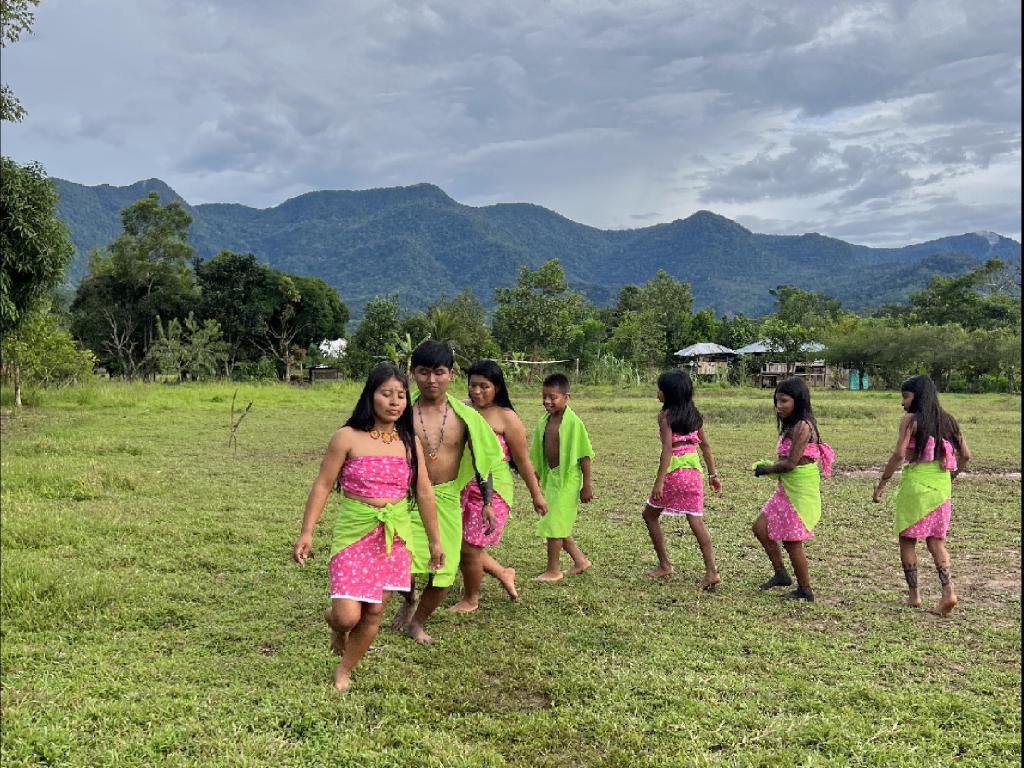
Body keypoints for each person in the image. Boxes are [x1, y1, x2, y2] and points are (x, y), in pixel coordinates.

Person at [292, 363, 444, 692]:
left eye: (401, 395)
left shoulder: (408, 442)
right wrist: (307, 531)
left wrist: (434, 542)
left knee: (373, 612)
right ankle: (335, 623)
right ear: (370, 396)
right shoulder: (346, 437)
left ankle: (344, 669)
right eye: (386, 393)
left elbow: (424, 492)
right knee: (347, 616)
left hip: (394, 537)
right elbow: (322, 484)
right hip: (354, 532)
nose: (395, 401)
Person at [391, 341, 505, 644]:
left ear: (450, 374)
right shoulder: (400, 411)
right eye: (424, 372)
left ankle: (418, 622)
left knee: (444, 572)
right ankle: (408, 597)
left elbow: (483, 461)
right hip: (407, 499)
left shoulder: (466, 417)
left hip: (447, 500)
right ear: (412, 373)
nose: (431, 380)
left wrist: (488, 502)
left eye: (438, 372)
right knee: (403, 567)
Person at [449, 360, 548, 612]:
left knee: (470, 547)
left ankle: (470, 599)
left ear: (498, 387)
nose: (477, 391)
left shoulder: (507, 417)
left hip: (494, 491)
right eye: (473, 385)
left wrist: (536, 495)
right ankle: (503, 574)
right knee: (461, 543)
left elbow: (523, 460)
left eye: (484, 386)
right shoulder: (462, 409)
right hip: (461, 484)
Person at [872, 374, 969, 616]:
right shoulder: (949, 421)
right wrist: (952, 476)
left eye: (905, 397)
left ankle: (914, 595)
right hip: (941, 487)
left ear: (918, 397)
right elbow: (965, 454)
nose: (902, 403)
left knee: (907, 539)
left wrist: (882, 483)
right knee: (936, 542)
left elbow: (898, 454)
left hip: (915, 486)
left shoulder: (910, 420)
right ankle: (948, 593)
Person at [751, 377, 834, 602]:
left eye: (784, 401)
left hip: (798, 490)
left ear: (798, 401)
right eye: (777, 401)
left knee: (791, 541)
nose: (779, 406)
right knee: (760, 528)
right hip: (786, 488)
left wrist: (765, 469)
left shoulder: (802, 426)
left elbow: (790, 464)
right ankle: (781, 574)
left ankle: (805, 589)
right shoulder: (793, 424)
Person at [641, 369, 723, 589]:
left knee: (649, 515)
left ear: (670, 393)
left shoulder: (665, 416)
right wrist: (712, 474)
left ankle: (664, 564)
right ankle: (711, 571)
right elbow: (705, 446)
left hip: (674, 473)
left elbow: (667, 450)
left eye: (660, 389)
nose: (657, 393)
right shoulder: (694, 415)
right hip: (694, 473)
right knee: (696, 520)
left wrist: (659, 482)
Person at [530, 372, 594, 581]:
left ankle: (553, 570)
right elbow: (539, 452)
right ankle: (580, 561)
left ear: (566, 397)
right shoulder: (545, 420)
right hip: (552, 477)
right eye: (544, 396)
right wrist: (537, 478)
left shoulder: (574, 423)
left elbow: (584, 456)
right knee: (558, 521)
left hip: (568, 479)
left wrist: (587, 486)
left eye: (553, 397)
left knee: (555, 522)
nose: (547, 401)